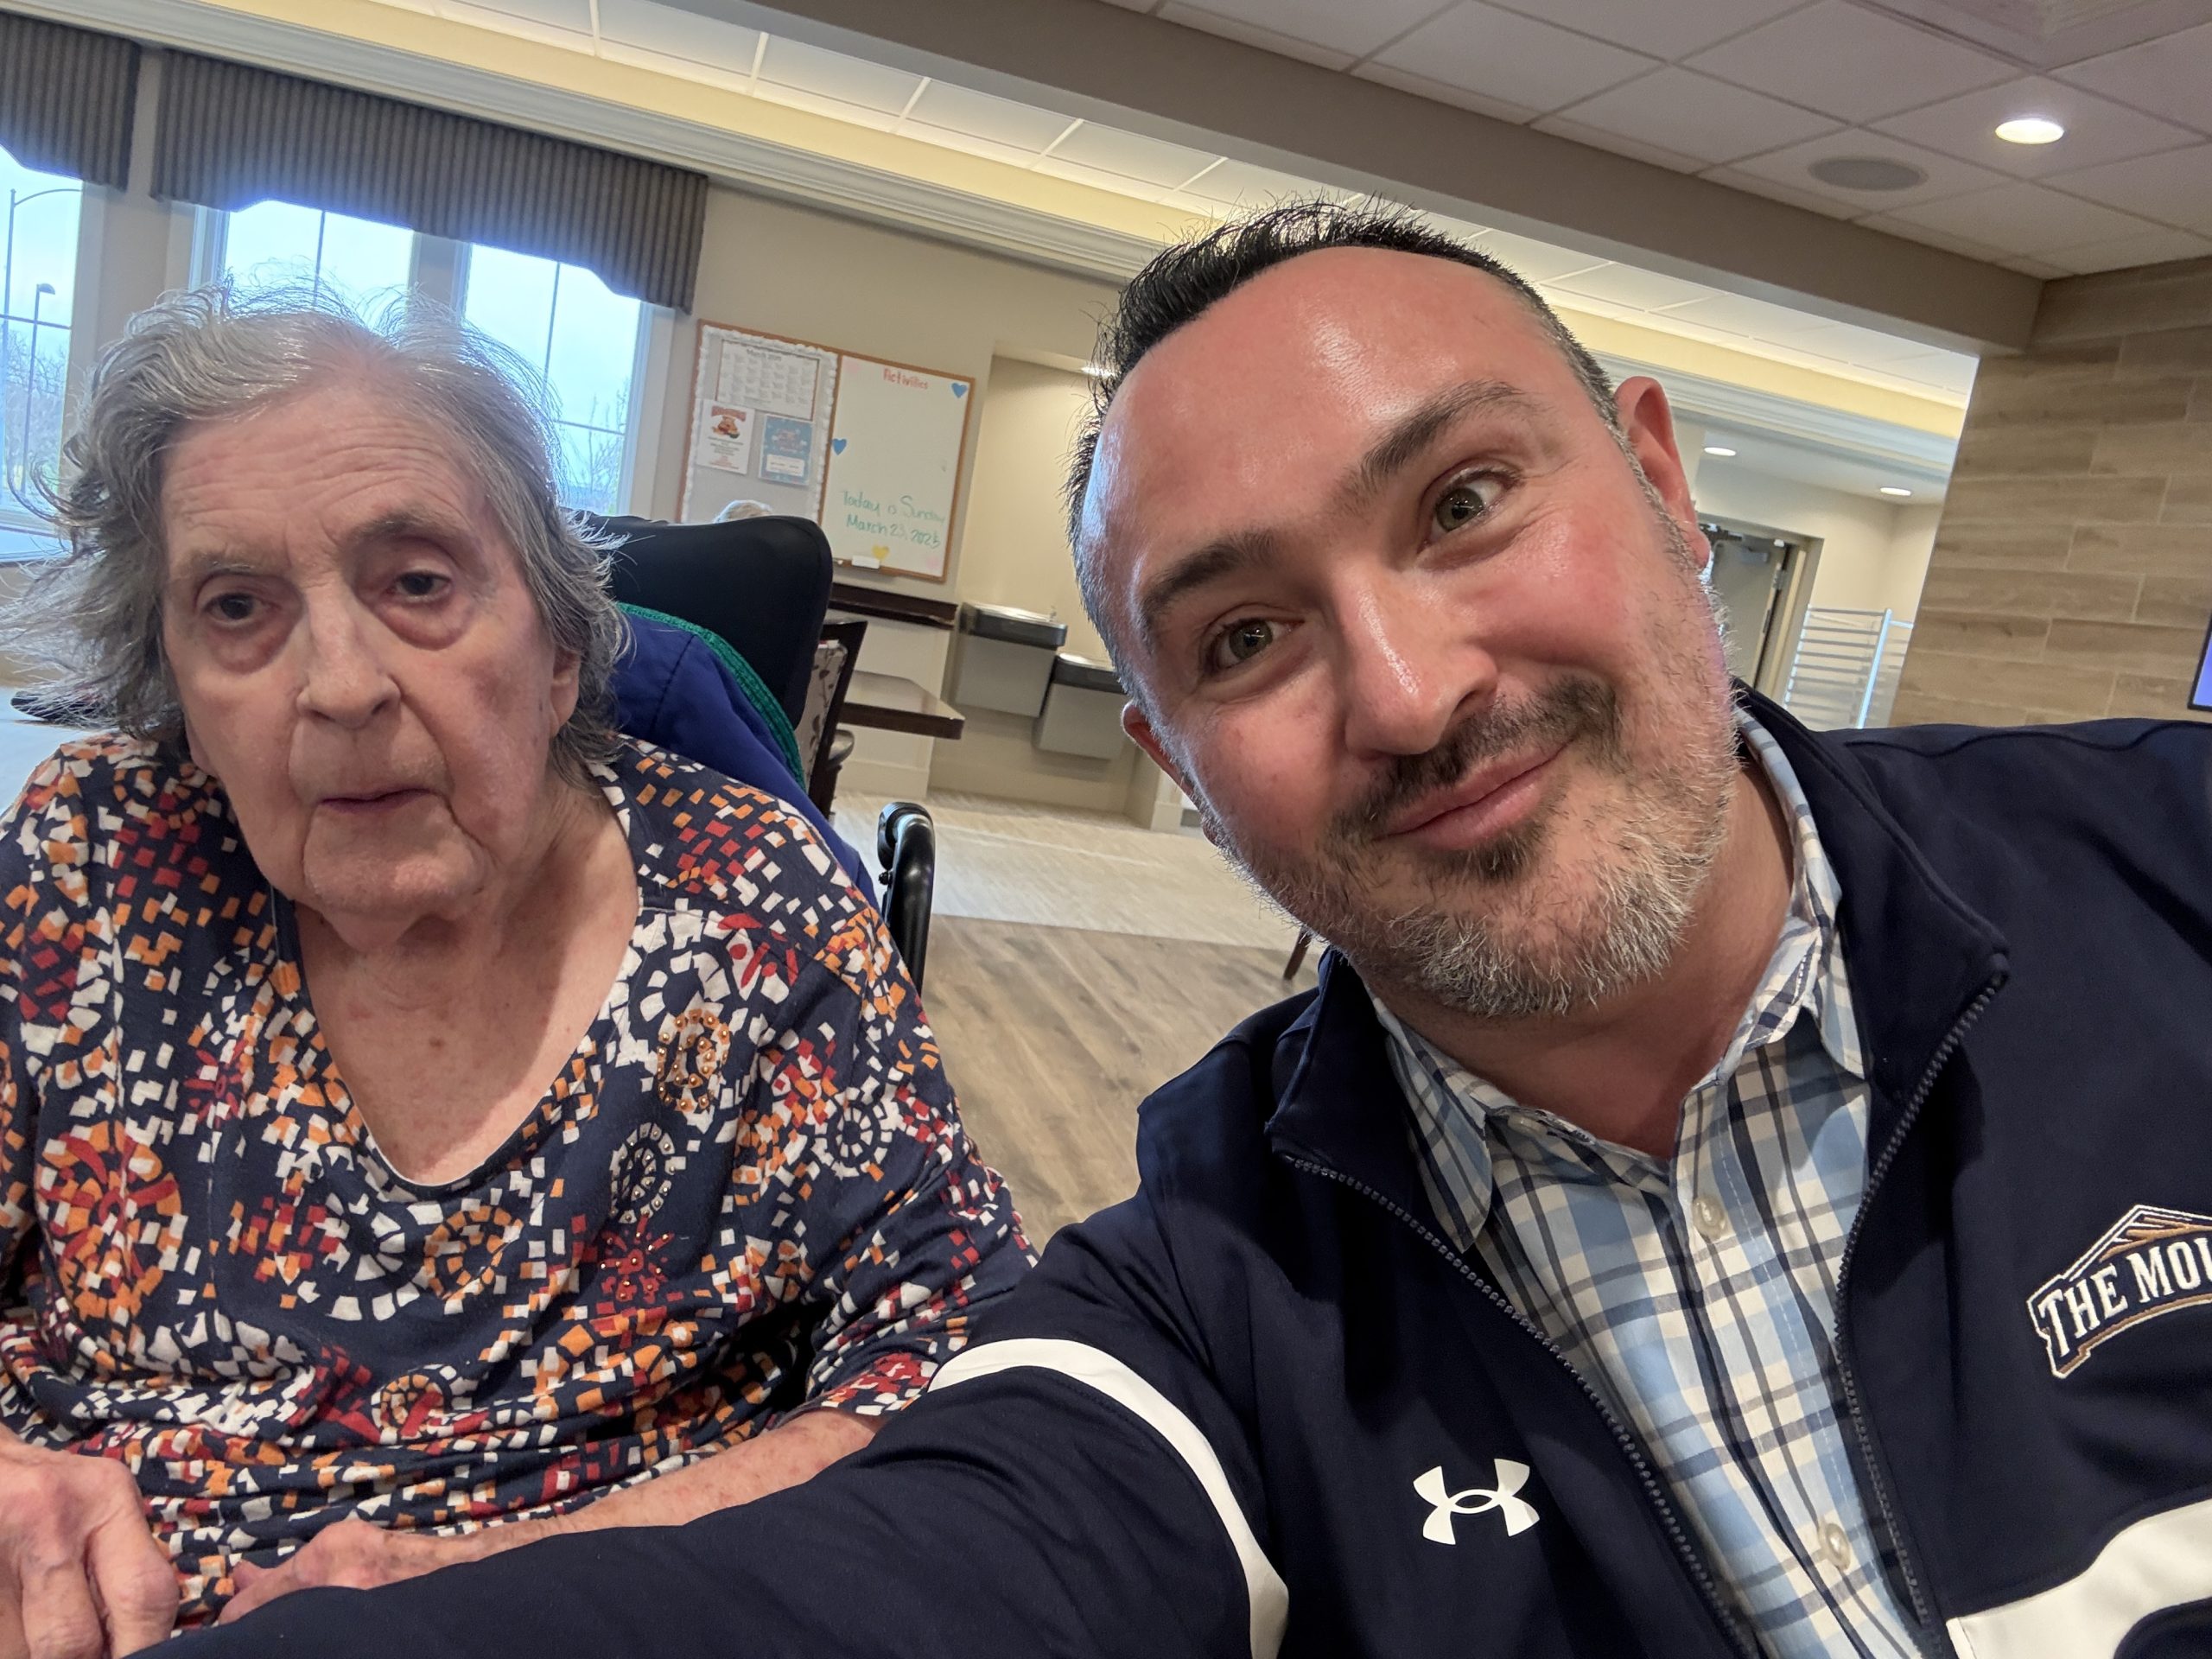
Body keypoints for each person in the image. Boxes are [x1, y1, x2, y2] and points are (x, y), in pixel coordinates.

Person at [175, 203, 2212, 1659]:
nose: (1408, 691)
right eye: (1245, 636)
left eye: (1464, 504)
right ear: (1170, 749)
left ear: (1659, 479)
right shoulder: (1207, 1301)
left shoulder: (2169, 867)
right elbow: (942, 1561)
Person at [0, 288, 1027, 1656]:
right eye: (237, 605)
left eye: (416, 581)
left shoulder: (756, 913)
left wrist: (510, 1577)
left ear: (556, 649)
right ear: (175, 680)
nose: (342, 684)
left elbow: (966, 1359)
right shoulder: (99, 856)